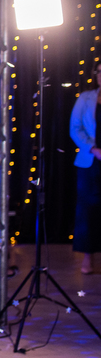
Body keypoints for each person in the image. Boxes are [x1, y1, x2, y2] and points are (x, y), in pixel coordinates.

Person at [69, 62, 101, 273]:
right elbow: (75, 128)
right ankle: (88, 258)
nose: (100, 75)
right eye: (99, 72)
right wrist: (93, 148)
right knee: (88, 210)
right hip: (90, 160)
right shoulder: (85, 98)